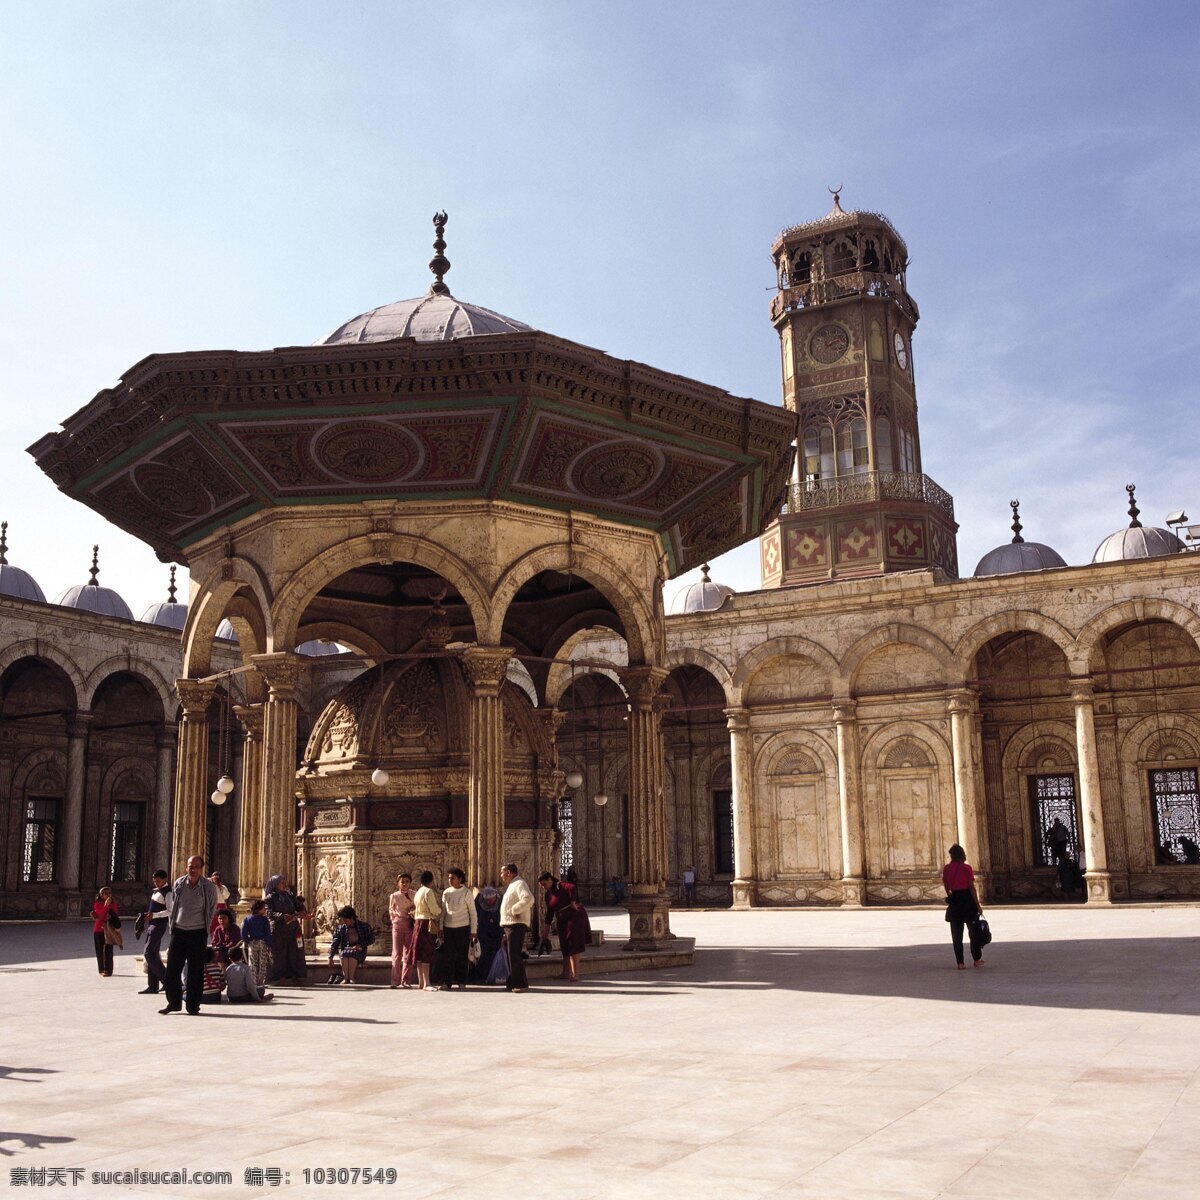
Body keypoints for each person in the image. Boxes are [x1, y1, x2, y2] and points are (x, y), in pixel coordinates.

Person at [162, 855, 217, 1015]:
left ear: (201, 869)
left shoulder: (207, 887)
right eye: (190, 866)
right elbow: (174, 905)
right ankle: (173, 1003)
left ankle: (193, 1006)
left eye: (196, 867)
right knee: (172, 969)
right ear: (186, 867)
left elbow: (212, 907)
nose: (192, 870)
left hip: (197, 933)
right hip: (179, 932)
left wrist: (205, 928)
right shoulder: (179, 883)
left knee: (195, 970)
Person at [538, 871, 590, 981]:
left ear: (550, 880)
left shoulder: (561, 886)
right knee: (565, 945)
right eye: (541, 885)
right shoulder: (548, 894)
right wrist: (545, 929)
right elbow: (550, 913)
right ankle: (566, 972)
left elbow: (572, 887)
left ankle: (575, 974)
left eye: (544, 884)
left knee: (573, 943)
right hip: (562, 919)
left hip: (573, 917)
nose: (543, 887)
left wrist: (572, 902)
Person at [942, 844, 985, 969]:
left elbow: (946, 884)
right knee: (973, 932)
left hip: (955, 900)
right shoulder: (966, 868)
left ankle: (960, 963)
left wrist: (950, 894)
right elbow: (971, 888)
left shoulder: (947, 868)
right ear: (962, 854)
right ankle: (977, 959)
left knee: (956, 934)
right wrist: (978, 905)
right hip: (967, 901)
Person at [435, 868, 478, 991]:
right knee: (448, 956)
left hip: (463, 928)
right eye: (449, 878)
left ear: (460, 879)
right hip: (448, 928)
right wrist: (441, 927)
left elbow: (473, 913)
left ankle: (462, 982)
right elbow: (444, 911)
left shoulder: (466, 893)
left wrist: (473, 930)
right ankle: (447, 982)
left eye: (453, 878)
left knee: (461, 956)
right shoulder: (446, 892)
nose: (450, 880)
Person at [499, 862, 535, 993]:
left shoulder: (519, 883)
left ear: (508, 872)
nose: (501, 875)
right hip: (510, 925)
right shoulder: (513, 884)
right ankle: (512, 982)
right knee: (511, 954)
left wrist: (514, 910)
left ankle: (520, 984)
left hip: (516, 924)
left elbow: (529, 899)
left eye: (502, 872)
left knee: (514, 954)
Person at [265, 876, 306, 983]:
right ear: (275, 885)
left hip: (293, 928)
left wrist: (302, 911)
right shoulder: (269, 898)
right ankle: (280, 977)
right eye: (282, 883)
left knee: (296, 951)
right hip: (279, 929)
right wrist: (282, 916)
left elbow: (299, 906)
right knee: (279, 954)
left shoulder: (290, 896)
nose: (284, 885)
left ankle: (295, 975)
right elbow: (269, 912)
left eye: (284, 882)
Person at [139, 870, 170, 995]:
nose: (156, 883)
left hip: (159, 925)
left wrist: (155, 915)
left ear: (164, 879)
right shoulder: (156, 891)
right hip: (152, 924)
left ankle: (167, 981)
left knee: (149, 953)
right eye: (154, 881)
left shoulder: (167, 893)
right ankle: (152, 985)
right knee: (153, 953)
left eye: (158, 881)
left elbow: (170, 911)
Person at [409, 870, 442, 991]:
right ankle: (427, 983)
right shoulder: (428, 891)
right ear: (431, 880)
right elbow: (433, 909)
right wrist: (440, 912)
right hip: (426, 922)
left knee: (419, 953)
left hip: (418, 922)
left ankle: (421, 982)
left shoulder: (418, 892)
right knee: (426, 953)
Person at [328, 905, 374, 985]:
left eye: (345, 920)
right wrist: (330, 957)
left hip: (359, 951)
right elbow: (335, 943)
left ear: (352, 918)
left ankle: (351, 977)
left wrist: (361, 945)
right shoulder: (341, 928)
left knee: (353, 954)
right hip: (345, 950)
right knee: (344, 953)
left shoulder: (364, 926)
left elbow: (371, 939)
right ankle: (346, 978)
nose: (344, 922)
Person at [388, 873, 416, 989]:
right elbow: (391, 909)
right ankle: (394, 981)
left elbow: (417, 907)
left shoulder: (414, 894)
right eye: (402, 881)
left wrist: (412, 913)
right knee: (396, 953)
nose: (404, 884)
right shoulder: (394, 896)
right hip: (398, 924)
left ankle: (406, 980)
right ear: (398, 883)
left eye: (407, 881)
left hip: (410, 925)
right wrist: (394, 918)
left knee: (408, 954)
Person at [241, 899, 273, 992]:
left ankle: (253, 982)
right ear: (259, 909)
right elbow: (267, 933)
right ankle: (260, 983)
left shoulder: (247, 919)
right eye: (264, 908)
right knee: (262, 963)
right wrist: (269, 945)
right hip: (262, 943)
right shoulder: (264, 920)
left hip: (253, 943)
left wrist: (248, 941)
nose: (265, 910)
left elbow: (243, 933)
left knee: (253, 963)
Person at [474, 885, 503, 982]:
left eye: (491, 900)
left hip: (497, 932)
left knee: (495, 954)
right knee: (483, 955)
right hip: (483, 932)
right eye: (487, 900)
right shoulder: (478, 901)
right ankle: (482, 976)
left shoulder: (501, 902)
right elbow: (474, 916)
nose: (489, 902)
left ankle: (494, 975)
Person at [91, 886, 120, 977]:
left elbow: (114, 915)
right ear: (101, 895)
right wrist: (106, 906)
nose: (108, 895)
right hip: (99, 929)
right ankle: (102, 969)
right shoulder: (97, 904)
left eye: (109, 893)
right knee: (100, 950)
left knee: (108, 950)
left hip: (108, 930)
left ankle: (109, 970)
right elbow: (99, 915)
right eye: (106, 893)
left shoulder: (113, 904)